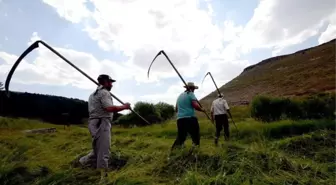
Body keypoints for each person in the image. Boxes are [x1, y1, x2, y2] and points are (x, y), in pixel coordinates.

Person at [79, 74, 131, 182]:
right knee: (103, 150)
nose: (111, 84)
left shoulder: (92, 95)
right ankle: (104, 177)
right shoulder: (104, 92)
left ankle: (82, 162)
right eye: (110, 82)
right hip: (102, 123)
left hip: (93, 123)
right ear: (105, 82)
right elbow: (109, 108)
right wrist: (124, 107)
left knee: (97, 150)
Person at [171, 82, 205, 149]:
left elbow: (176, 109)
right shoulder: (191, 94)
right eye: (194, 89)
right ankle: (195, 150)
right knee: (195, 135)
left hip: (180, 119)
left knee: (181, 137)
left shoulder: (180, 96)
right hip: (190, 118)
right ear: (192, 88)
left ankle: (174, 150)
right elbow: (195, 105)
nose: (194, 90)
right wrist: (202, 110)